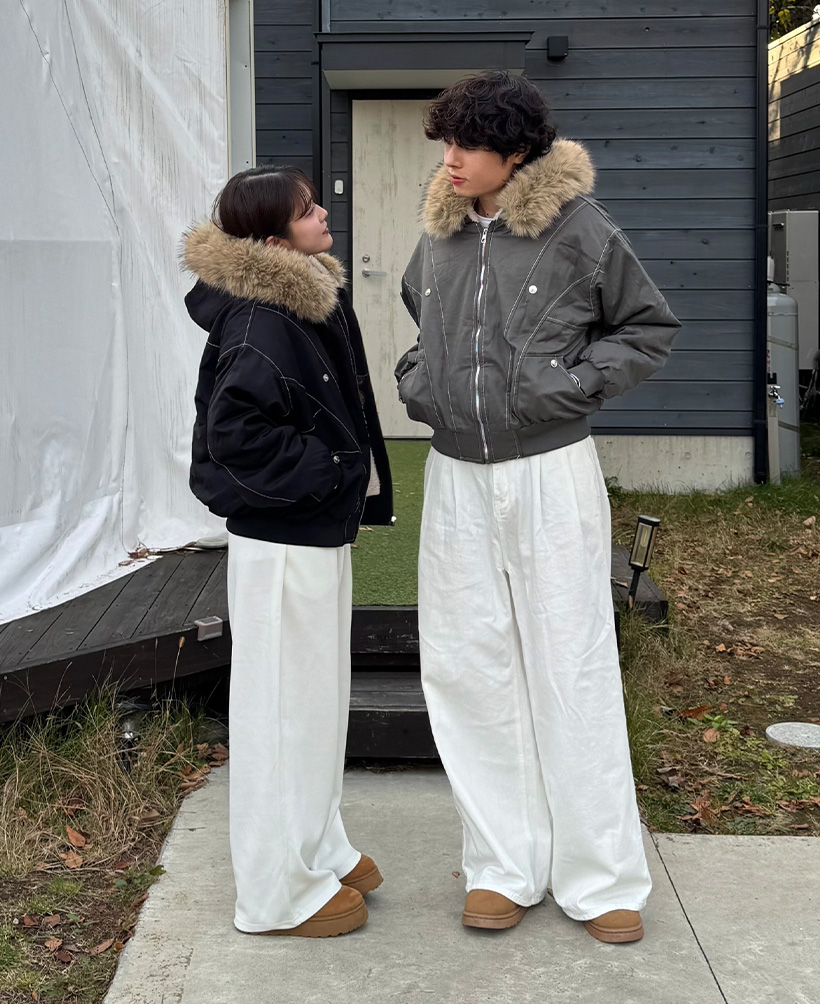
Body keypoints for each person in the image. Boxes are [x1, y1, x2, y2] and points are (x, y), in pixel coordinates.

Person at [396, 72, 680, 943]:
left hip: (551, 470)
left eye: (468, 146)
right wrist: (421, 382)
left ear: (515, 152)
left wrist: (570, 386)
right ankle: (501, 867)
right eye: (446, 144)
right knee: (467, 668)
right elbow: (421, 324)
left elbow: (647, 328)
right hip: (456, 476)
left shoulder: (579, 229)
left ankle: (601, 878)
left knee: (571, 662)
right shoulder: (440, 235)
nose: (450, 161)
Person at [183, 166, 392, 937]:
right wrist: (335, 468)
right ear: (273, 240)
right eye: (307, 210)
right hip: (280, 544)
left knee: (313, 707)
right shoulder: (259, 321)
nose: (323, 213)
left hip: (312, 533)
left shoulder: (300, 297)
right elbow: (231, 445)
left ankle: (315, 846)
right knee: (278, 718)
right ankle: (275, 894)